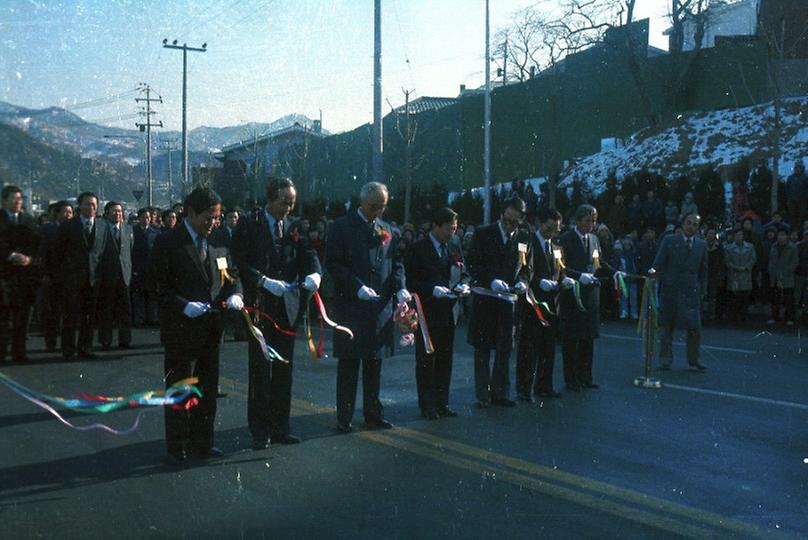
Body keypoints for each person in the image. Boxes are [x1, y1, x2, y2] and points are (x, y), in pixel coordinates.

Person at [150, 187, 244, 465]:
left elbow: (230, 276)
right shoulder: (168, 242)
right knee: (181, 388)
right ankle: (177, 445)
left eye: (216, 217)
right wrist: (183, 305)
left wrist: (236, 293)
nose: (213, 222)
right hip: (181, 329)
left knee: (206, 388)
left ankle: (203, 442)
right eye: (208, 217)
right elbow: (157, 286)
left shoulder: (217, 241)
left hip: (211, 329)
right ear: (190, 213)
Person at [231, 178, 321, 449]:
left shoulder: (293, 225)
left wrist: (315, 272)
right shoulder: (249, 222)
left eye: (292, 203)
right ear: (270, 199)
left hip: (286, 306)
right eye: (284, 202)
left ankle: (281, 426)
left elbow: (308, 254)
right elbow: (238, 260)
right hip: (260, 306)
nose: (288, 208)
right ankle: (260, 430)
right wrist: (262, 280)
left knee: (284, 368)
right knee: (261, 369)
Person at [324, 182, 409, 433]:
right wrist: (356, 287)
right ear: (362, 202)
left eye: (382, 207)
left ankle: (373, 413)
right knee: (349, 365)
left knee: (375, 364)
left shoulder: (388, 230)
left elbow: (396, 263)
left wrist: (401, 286)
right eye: (374, 207)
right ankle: (345, 416)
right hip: (352, 307)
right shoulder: (341, 227)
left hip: (379, 308)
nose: (378, 212)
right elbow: (334, 263)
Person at [466, 196, 532, 407]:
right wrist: (490, 280)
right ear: (501, 214)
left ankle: (500, 393)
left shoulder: (523, 238)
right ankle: (483, 395)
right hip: (486, 298)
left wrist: (523, 282)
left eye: (514, 222)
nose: (509, 225)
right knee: (483, 349)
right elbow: (473, 263)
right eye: (506, 220)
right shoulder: (484, 233)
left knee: (505, 349)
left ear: (521, 220)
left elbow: (526, 268)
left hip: (508, 301)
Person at [404, 207, 469, 419]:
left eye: (455, 228)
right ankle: (427, 405)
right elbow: (411, 280)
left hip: (448, 311)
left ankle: (442, 403)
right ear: (436, 226)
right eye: (449, 228)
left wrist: (463, 286)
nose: (453, 233)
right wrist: (431, 289)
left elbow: (463, 273)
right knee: (426, 361)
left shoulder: (452, 247)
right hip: (427, 313)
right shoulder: (418, 249)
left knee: (445, 360)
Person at [558, 204, 622, 390]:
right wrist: (578, 276)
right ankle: (571, 379)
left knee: (588, 338)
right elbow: (560, 266)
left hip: (591, 295)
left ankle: (586, 377)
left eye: (594, 221)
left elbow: (598, 262)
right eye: (587, 221)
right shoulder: (565, 239)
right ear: (578, 221)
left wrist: (614, 273)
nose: (591, 225)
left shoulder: (594, 239)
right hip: (573, 293)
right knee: (572, 340)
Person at [515, 208, 569, 401]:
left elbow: (560, 269)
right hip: (534, 303)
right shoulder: (529, 242)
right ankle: (524, 388)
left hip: (552, 303)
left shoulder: (556, 245)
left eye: (556, 229)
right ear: (540, 223)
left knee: (548, 348)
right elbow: (523, 269)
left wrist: (564, 279)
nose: (552, 233)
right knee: (529, 347)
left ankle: (544, 386)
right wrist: (538, 282)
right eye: (549, 228)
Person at [650, 213, 708, 371]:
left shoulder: (701, 245)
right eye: (689, 223)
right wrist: (655, 280)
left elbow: (703, 270)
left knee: (695, 328)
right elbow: (659, 263)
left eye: (695, 224)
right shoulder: (669, 241)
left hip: (691, 291)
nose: (691, 227)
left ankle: (694, 359)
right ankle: (665, 359)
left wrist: (703, 289)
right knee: (667, 327)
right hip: (671, 290)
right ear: (682, 224)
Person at [56, 192, 110, 360]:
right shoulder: (68, 226)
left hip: (94, 280)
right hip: (73, 279)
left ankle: (85, 347)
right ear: (79, 206)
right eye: (87, 204)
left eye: (94, 204)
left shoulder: (102, 226)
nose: (91, 207)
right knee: (71, 316)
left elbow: (102, 253)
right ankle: (68, 349)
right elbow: (59, 253)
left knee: (89, 316)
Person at [0, 185, 41, 362]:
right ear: (4, 201)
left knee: (23, 318)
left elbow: (39, 246)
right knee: (3, 318)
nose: (18, 202)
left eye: (20, 199)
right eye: (13, 199)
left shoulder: (29, 221)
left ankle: (19, 353)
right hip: (4, 276)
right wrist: (10, 255)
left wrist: (30, 260)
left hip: (25, 277)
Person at [97, 201, 134, 350]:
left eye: (120, 211)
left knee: (125, 310)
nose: (118, 214)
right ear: (107, 213)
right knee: (106, 310)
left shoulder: (128, 229)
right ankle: (105, 340)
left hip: (124, 275)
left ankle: (125, 340)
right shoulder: (101, 229)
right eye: (114, 211)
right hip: (107, 276)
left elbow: (130, 251)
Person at [38, 200, 72, 352]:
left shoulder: (76, 229)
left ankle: (67, 344)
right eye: (65, 212)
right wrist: (45, 273)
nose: (68, 215)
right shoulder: (47, 229)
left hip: (71, 277)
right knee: (52, 311)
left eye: (70, 212)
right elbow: (42, 253)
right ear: (56, 214)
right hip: (52, 276)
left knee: (68, 312)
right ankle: (50, 343)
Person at [724, 229, 757, 323]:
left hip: (746, 274)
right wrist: (735, 267)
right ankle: (733, 316)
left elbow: (753, 259)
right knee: (734, 298)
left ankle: (744, 316)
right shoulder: (728, 248)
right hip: (734, 275)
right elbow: (727, 261)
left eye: (740, 235)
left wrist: (746, 267)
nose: (739, 237)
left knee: (745, 297)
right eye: (737, 235)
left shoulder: (750, 247)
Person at [767, 227, 798, 325]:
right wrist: (773, 273)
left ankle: (789, 318)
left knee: (788, 299)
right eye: (779, 235)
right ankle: (774, 316)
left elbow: (794, 263)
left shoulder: (792, 247)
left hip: (787, 277)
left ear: (787, 236)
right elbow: (771, 262)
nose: (781, 237)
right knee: (775, 299)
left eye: (783, 235)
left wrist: (784, 274)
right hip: (775, 277)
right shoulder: (774, 246)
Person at [786, 161, 807, 232]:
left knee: (801, 215)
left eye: (799, 168)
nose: (798, 169)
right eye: (796, 168)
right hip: (792, 200)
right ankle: (792, 230)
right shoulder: (790, 178)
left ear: (802, 169)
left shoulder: (805, 177)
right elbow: (787, 188)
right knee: (792, 215)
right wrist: (788, 198)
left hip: (803, 200)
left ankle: (800, 229)